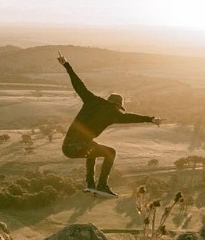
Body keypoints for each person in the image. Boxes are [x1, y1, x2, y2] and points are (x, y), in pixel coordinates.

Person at [58, 50, 161, 197]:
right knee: (110, 153)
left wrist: (67, 65)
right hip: (78, 147)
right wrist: (150, 119)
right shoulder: (114, 114)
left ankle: (91, 185)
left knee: (92, 147)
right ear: (118, 106)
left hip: (66, 148)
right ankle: (102, 186)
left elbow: (78, 84)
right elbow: (130, 117)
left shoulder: (91, 100)